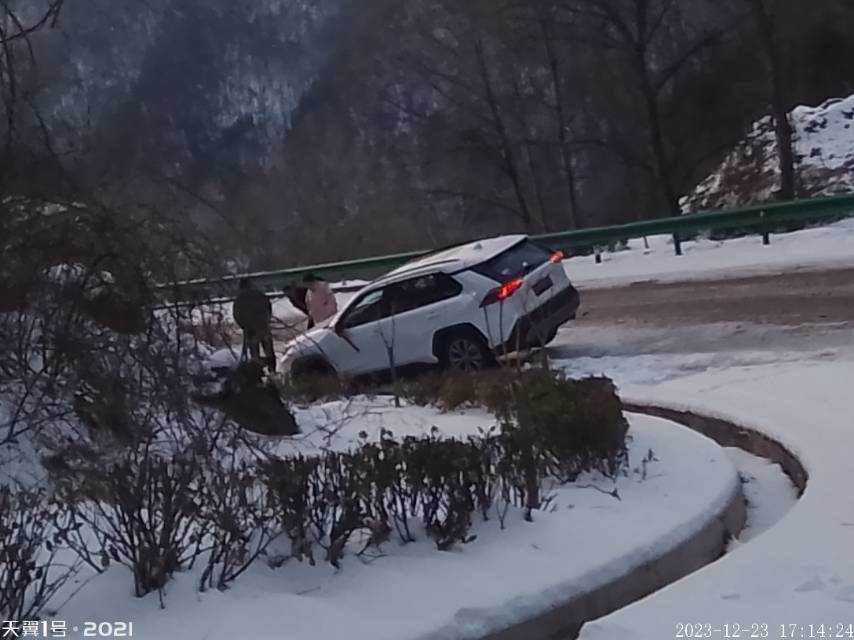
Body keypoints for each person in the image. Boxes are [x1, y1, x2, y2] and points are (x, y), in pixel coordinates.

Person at [233, 278, 275, 372]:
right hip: (264, 327)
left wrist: (244, 326)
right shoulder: (260, 294)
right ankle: (272, 371)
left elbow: (237, 315)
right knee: (269, 352)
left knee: (254, 355)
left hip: (250, 330)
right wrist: (266, 321)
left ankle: (258, 375)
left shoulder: (239, 299)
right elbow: (269, 307)